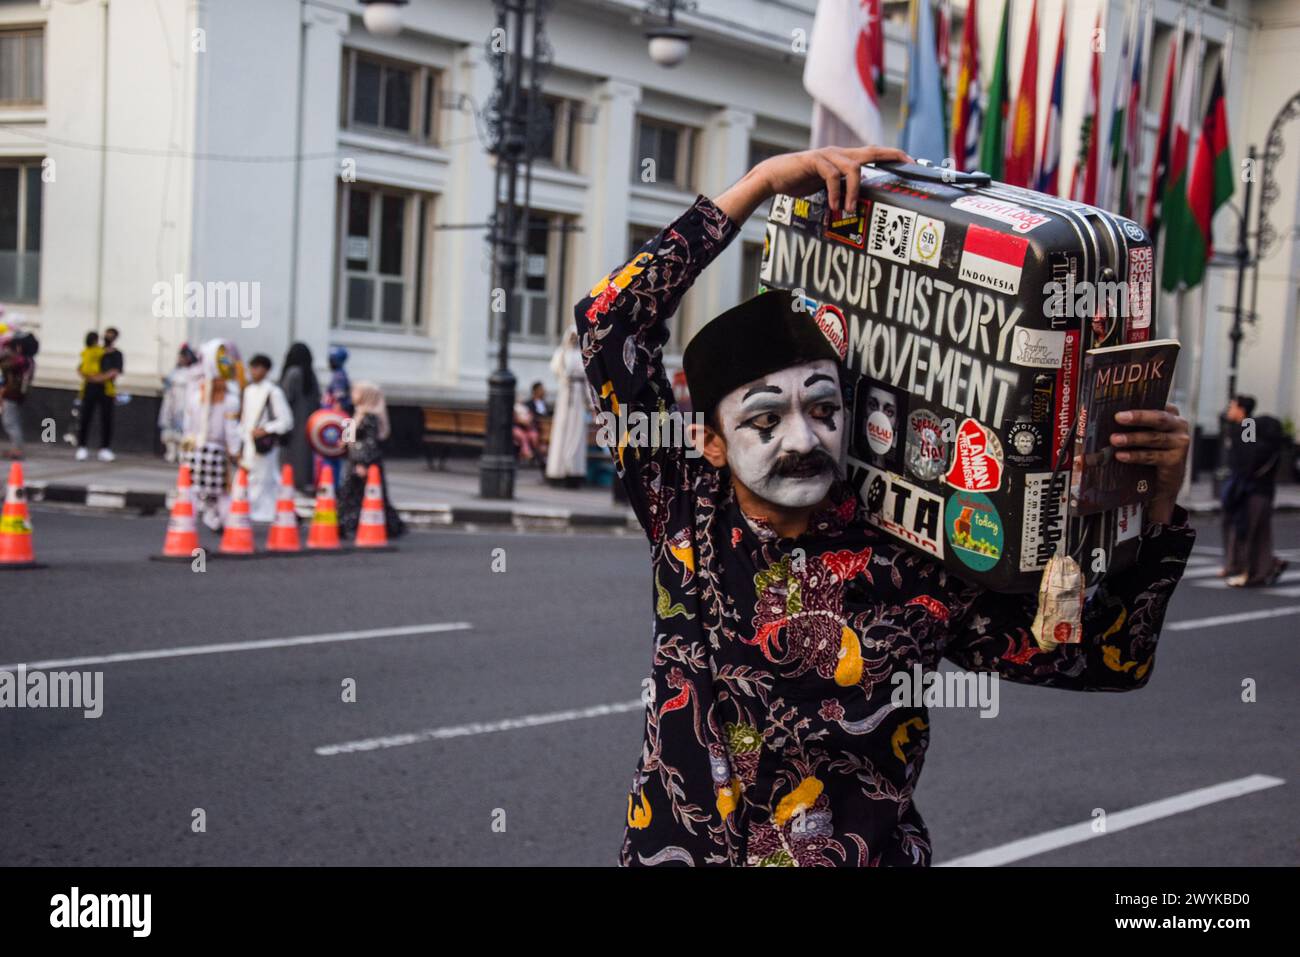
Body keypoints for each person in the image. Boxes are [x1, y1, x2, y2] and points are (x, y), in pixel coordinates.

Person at [576, 145, 1197, 868]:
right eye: (765, 420)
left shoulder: (916, 557)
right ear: (710, 442)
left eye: (823, 407)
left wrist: (1151, 500)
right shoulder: (683, 511)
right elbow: (608, 325)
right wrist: (759, 185)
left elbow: (1101, 657)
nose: (802, 438)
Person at [1220, 394, 1287, 586]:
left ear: (1241, 409)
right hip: (1256, 488)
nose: (1229, 410)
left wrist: (1240, 481)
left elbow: (1248, 458)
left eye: (1232, 406)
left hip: (1252, 489)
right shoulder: (1244, 428)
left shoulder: (1247, 426)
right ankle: (1263, 566)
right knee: (1254, 531)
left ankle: (1248, 572)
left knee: (1246, 530)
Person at [182, 339, 244, 531]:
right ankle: (226, 521)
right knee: (222, 492)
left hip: (196, 450)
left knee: (194, 490)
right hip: (217, 451)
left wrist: (186, 445)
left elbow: (188, 425)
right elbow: (231, 429)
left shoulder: (195, 396)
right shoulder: (229, 399)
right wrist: (235, 451)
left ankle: (192, 520)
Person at [338, 381, 405, 540]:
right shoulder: (358, 412)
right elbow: (350, 435)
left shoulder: (370, 416)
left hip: (364, 463)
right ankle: (348, 524)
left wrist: (363, 463)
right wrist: (344, 441)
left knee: (361, 494)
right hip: (355, 460)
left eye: (357, 392)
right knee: (352, 493)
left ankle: (353, 525)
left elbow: (370, 443)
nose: (353, 395)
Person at [239, 354, 294, 523]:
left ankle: (268, 512)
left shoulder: (273, 392)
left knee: (265, 478)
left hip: (265, 444)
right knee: (253, 478)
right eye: (252, 367)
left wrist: (266, 429)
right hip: (249, 443)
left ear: (266, 370)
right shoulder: (248, 391)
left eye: (257, 367)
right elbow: (244, 420)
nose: (253, 371)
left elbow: (286, 421)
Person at [545, 328, 589, 487]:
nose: (573, 339)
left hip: (578, 396)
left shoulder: (583, 354)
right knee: (562, 430)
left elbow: (587, 376)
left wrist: (589, 401)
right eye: (571, 336)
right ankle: (558, 470)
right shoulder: (561, 353)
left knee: (576, 431)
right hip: (566, 393)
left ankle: (574, 471)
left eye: (575, 337)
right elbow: (556, 368)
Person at [75, 326, 123, 462]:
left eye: (111, 336)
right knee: (85, 417)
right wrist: (91, 378)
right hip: (90, 388)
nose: (108, 338)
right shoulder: (94, 351)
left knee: (106, 419)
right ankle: (82, 446)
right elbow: (81, 367)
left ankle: (105, 448)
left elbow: (115, 371)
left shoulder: (116, 354)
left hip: (107, 390)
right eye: (107, 335)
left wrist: (99, 378)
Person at [279, 342, 321, 493]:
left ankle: (289, 481)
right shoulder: (311, 375)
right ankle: (304, 482)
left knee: (289, 455)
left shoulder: (292, 373)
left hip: (292, 423)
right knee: (305, 455)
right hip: (308, 423)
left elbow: (284, 399)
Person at [0, 329, 37, 459]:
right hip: (19, 394)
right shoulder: (29, 360)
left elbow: (5, 365)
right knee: (14, 421)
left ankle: (17, 449)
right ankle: (17, 447)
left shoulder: (20, 360)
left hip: (12, 393)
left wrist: (5, 352)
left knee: (10, 422)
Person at [157, 344, 197, 463]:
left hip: (184, 402)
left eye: (183, 357)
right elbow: (169, 384)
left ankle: (182, 452)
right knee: (169, 428)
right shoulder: (175, 371)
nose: (180, 359)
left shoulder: (192, 372)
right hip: (171, 402)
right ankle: (170, 451)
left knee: (183, 429)